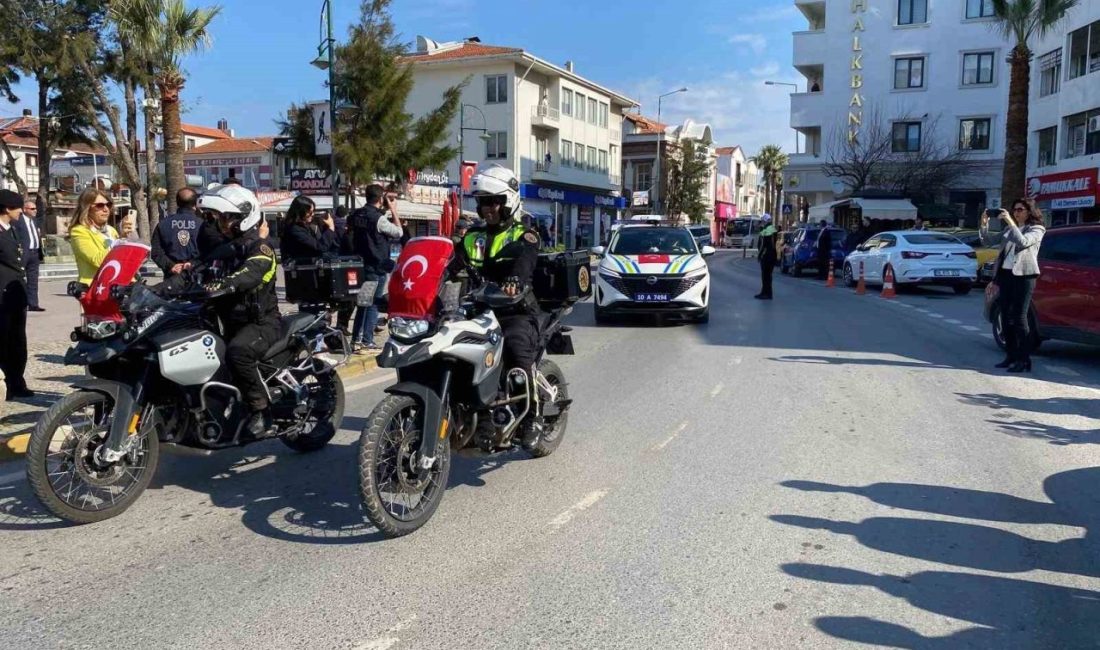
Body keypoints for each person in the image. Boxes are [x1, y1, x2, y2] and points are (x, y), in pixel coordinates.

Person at [455, 165, 543, 450]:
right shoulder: (471, 238)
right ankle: (474, 414)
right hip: (479, 312)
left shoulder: (524, 235)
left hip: (515, 311)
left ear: (507, 201)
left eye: (493, 201)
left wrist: (515, 279)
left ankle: (533, 417)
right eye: (482, 202)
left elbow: (525, 261)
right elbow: (449, 265)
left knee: (518, 351)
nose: (487, 208)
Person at [197, 184, 280, 437]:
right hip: (230, 323)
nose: (222, 224)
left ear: (245, 217)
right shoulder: (225, 249)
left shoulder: (260, 248)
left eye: (227, 218)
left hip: (261, 324)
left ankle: (261, 410)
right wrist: (155, 290)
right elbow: (194, 272)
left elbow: (250, 273)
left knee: (238, 352)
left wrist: (226, 284)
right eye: (220, 218)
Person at [980, 199, 1046, 374]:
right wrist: (984, 224)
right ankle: (1010, 355)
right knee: (1004, 316)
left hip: (1024, 276)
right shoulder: (1009, 229)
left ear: (1029, 211)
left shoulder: (1037, 230)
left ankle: (1024, 359)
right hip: (1006, 276)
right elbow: (988, 241)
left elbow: (1023, 242)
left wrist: (1009, 221)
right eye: (1014, 210)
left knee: (1019, 317)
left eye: (1020, 210)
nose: (1016, 213)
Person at [348, 184, 403, 350]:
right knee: (372, 304)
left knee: (362, 303)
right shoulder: (378, 219)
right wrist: (393, 209)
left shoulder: (356, 214)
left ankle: (356, 338)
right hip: (376, 266)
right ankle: (367, 340)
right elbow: (398, 232)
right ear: (380, 199)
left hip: (359, 265)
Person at [0, 190, 31, 400]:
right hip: (1, 295)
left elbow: (21, 256)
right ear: (6, 209)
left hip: (17, 294)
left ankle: (17, 382)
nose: (21, 210)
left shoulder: (14, 229)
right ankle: (5, 385)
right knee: (3, 341)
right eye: (17, 207)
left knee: (18, 342)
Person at [68, 188, 120, 286]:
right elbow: (97, 260)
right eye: (100, 205)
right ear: (87, 208)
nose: (106, 209)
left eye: (108, 205)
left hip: (115, 285)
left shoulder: (111, 230)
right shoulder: (79, 231)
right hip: (94, 288)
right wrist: (118, 243)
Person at [151, 187, 201, 276]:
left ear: (177, 203)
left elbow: (156, 252)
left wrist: (171, 266)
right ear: (195, 204)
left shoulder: (163, 224)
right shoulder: (202, 224)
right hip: (197, 275)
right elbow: (209, 250)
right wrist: (193, 264)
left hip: (171, 278)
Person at [280, 195, 338, 262]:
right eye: (310, 212)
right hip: (301, 269)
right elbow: (319, 247)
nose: (312, 214)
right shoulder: (294, 229)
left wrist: (325, 227)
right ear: (300, 212)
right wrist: (331, 228)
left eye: (313, 211)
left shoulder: (303, 226)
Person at [15, 199, 44, 312]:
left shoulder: (35, 221)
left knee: (33, 280)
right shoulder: (18, 221)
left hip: (35, 253)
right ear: (24, 209)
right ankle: (20, 303)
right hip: (23, 253)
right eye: (32, 209)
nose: (35, 211)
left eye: (35, 208)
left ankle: (33, 304)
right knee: (20, 278)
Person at [755, 214, 778, 300]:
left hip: (766, 256)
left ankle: (766, 293)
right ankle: (767, 293)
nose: (762, 223)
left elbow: (763, 245)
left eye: (762, 221)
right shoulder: (773, 229)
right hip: (772, 255)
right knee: (769, 276)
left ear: (765, 221)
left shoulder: (766, 230)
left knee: (765, 276)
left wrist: (759, 255)